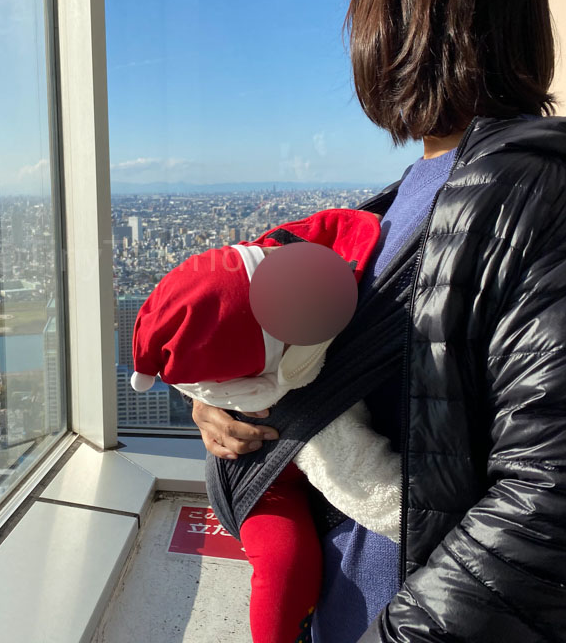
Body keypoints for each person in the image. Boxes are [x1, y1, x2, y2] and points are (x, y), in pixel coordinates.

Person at [192, 0, 566, 643]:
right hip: (345, 610)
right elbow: (337, 390)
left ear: (408, 27)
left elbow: (565, 517)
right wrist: (226, 411)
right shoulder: (395, 210)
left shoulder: (541, 203)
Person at [129, 209, 402, 643]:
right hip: (262, 477)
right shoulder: (328, 248)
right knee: (283, 563)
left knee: (284, 561)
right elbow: (381, 495)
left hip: (268, 468)